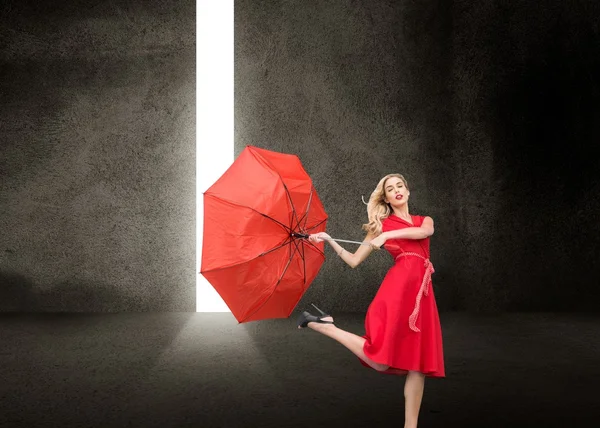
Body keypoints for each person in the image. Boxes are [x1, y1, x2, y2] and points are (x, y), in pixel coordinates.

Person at [298, 173, 445, 428]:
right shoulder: (381, 226)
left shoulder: (424, 220)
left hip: (422, 296)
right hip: (398, 293)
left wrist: (387, 238)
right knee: (379, 360)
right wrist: (329, 240)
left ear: (408, 192)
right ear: (386, 198)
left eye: (400, 186)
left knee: (418, 366)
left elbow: (425, 231)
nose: (397, 190)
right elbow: (354, 261)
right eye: (390, 189)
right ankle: (326, 326)